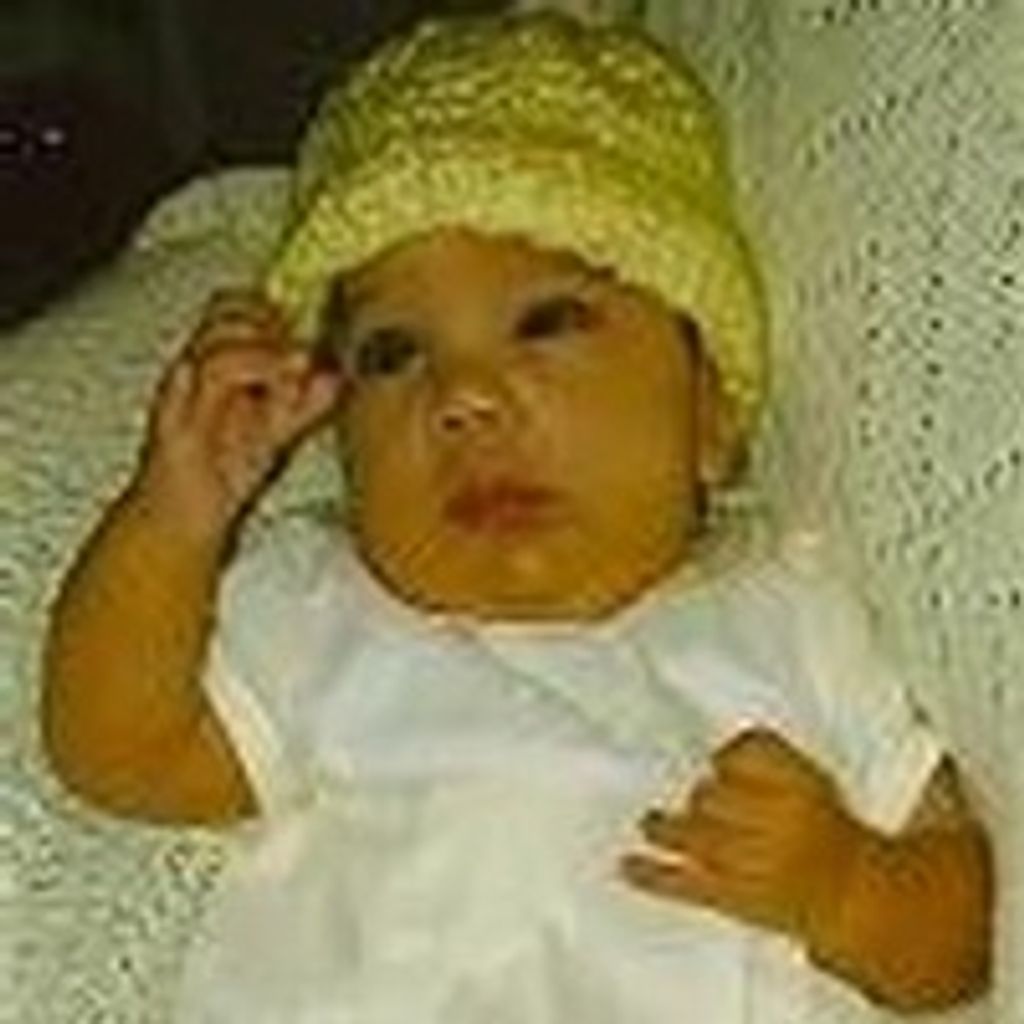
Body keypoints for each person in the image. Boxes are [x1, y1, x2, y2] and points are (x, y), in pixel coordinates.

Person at [41, 11, 992, 1022]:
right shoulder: (324, 606)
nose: (463, 397)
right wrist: (174, 513)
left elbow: (955, 940)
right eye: (392, 354)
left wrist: (847, 887)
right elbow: (119, 751)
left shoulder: (793, 615)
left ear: (709, 411)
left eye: (546, 321)